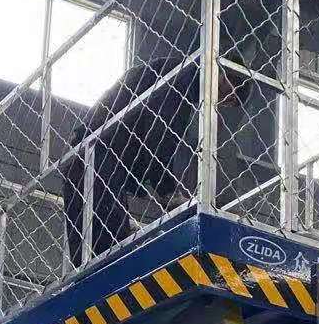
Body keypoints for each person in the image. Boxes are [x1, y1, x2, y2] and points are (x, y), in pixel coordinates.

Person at [61, 54, 247, 268]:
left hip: (89, 156)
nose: (222, 102)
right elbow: (160, 134)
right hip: (97, 157)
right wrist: (168, 192)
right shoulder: (181, 76)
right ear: (225, 76)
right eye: (230, 97)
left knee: (90, 254)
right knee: (109, 255)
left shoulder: (169, 73)